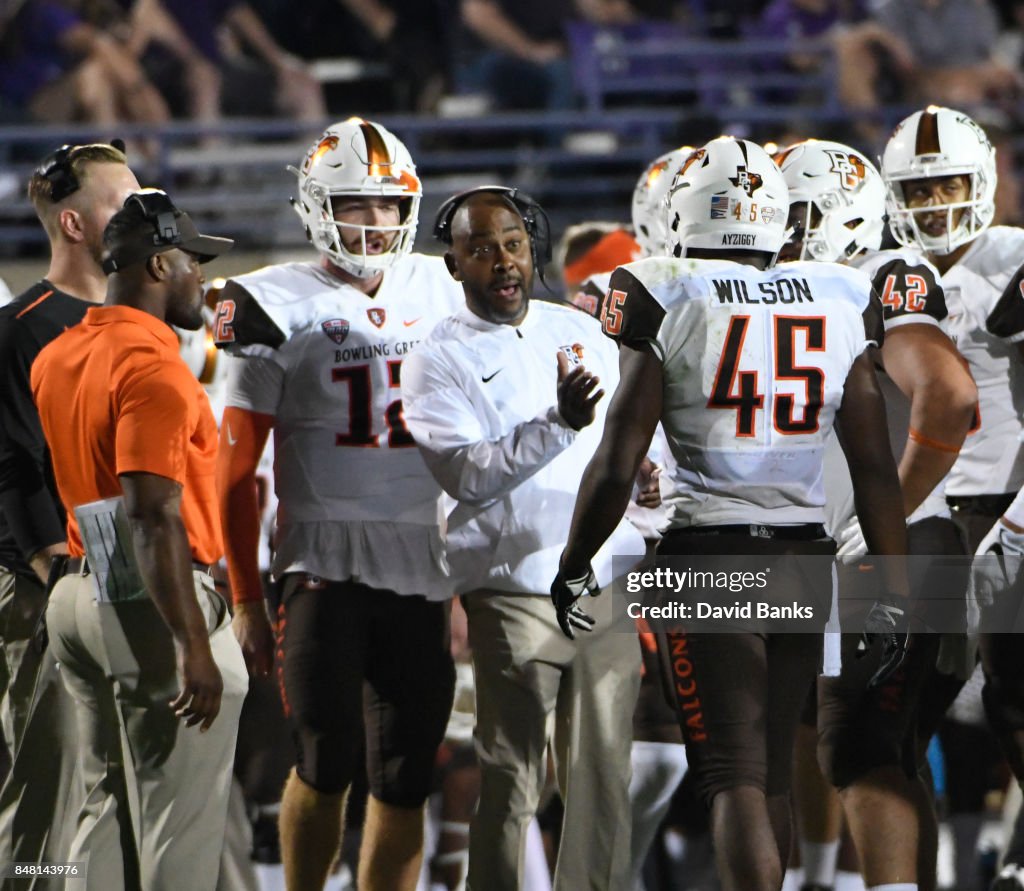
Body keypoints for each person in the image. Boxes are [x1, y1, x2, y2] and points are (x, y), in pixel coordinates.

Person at [553, 136, 911, 891]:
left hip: (705, 549)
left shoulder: (664, 287)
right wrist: (896, 587)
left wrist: (575, 559)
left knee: (730, 773)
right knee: (773, 767)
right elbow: (876, 466)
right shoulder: (840, 292)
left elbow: (620, 456)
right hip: (805, 551)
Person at [212, 118, 463, 891]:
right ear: (319, 205)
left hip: (424, 558)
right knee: (325, 761)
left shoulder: (443, 284)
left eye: (389, 205)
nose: (377, 221)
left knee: (406, 772)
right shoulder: (265, 299)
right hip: (321, 559)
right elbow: (234, 470)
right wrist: (248, 597)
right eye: (358, 203)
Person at [401, 185, 646, 890]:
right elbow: (467, 474)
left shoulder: (581, 328)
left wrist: (649, 486)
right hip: (511, 586)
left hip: (602, 577)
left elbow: (623, 443)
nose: (503, 261)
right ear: (454, 265)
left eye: (512, 243)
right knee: (512, 775)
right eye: (481, 248)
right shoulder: (433, 359)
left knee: (602, 775)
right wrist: (557, 424)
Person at [776, 137, 977, 891]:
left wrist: (881, 515)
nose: (777, 232)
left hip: (899, 545)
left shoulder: (881, 277)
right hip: (896, 545)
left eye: (791, 214)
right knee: (884, 746)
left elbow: (949, 392)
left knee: (854, 747)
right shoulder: (807, 293)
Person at [30, 189, 246, 890]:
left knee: (103, 811)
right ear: (157, 265)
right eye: (191, 262)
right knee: (177, 831)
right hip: (151, 602)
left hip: (76, 594)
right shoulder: (155, 369)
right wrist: (191, 642)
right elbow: (151, 515)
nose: (202, 280)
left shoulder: (58, 353)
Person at [881, 105, 1024, 891]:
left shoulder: (1015, 255)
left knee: (1012, 694)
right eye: (922, 189)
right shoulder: (883, 266)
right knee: (896, 710)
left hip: (1003, 497)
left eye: (949, 186)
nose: (936, 204)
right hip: (918, 507)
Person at [0, 141, 141, 885]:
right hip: (48, 579)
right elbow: (16, 471)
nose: (140, 213)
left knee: (125, 784)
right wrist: (57, 572)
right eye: (121, 201)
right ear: (75, 224)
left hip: (124, 572)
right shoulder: (21, 326)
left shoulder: (138, 320)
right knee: (47, 784)